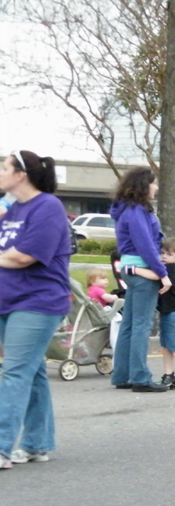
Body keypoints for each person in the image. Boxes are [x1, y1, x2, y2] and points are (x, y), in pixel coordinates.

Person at [0, 151, 71, 469]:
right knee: (33, 371)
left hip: (38, 302)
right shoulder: (13, 209)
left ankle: (1, 447)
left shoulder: (48, 207)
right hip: (8, 300)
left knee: (14, 372)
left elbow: (23, 256)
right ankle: (36, 444)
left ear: (20, 175)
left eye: (3, 167)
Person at [110, 167, 172, 393]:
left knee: (129, 324)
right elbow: (145, 245)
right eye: (153, 183)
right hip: (144, 269)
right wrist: (163, 274)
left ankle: (122, 374)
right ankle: (140, 376)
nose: (156, 187)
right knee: (141, 325)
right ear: (144, 186)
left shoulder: (126, 209)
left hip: (130, 267)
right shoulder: (138, 211)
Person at [129, 238, 175, 389]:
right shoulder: (163, 266)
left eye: (169, 254)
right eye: (163, 253)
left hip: (174, 313)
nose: (165, 256)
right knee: (166, 345)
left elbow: (155, 275)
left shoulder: (169, 268)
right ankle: (168, 374)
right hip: (166, 312)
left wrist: (133, 269)